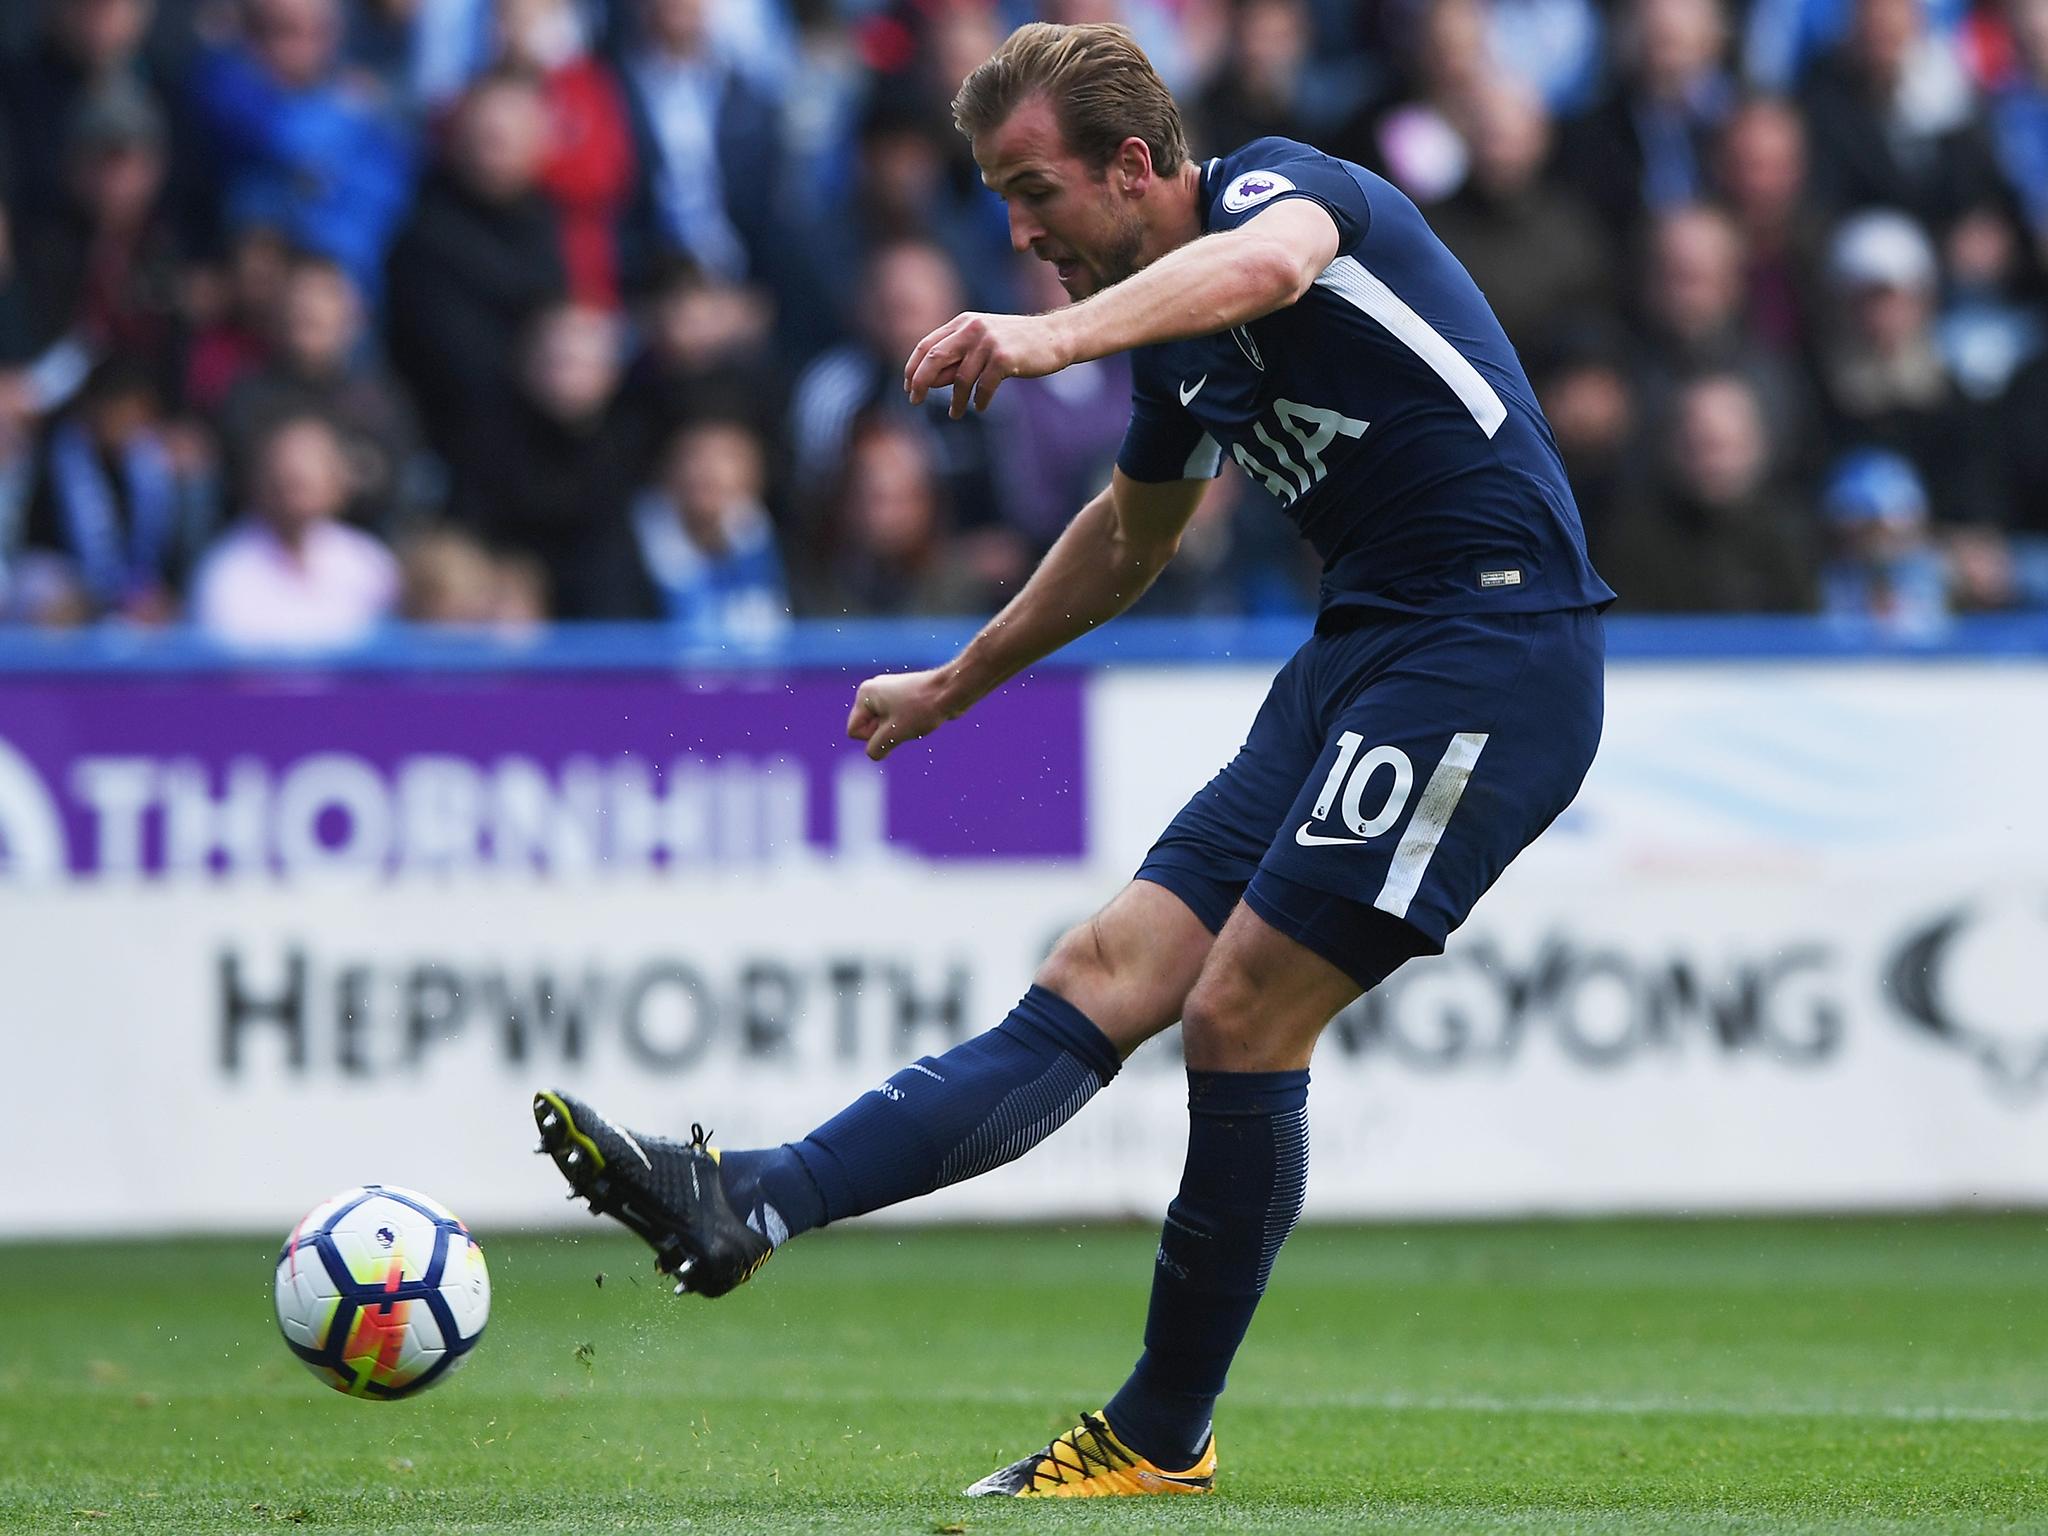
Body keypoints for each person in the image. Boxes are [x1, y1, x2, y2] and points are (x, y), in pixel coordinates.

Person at [531, 21, 1612, 1500]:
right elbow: (1132, 533)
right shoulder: (1166, 334)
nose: (1020, 233)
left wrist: (1040, 343)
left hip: (1492, 650)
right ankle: (753, 1203)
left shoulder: (1287, 194)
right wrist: (961, 681)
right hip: (1359, 658)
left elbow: (1272, 271)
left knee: (1239, 1011)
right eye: (1000, 202)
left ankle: (1163, 1433)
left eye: (1033, 194)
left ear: (1133, 163)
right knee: (1103, 972)